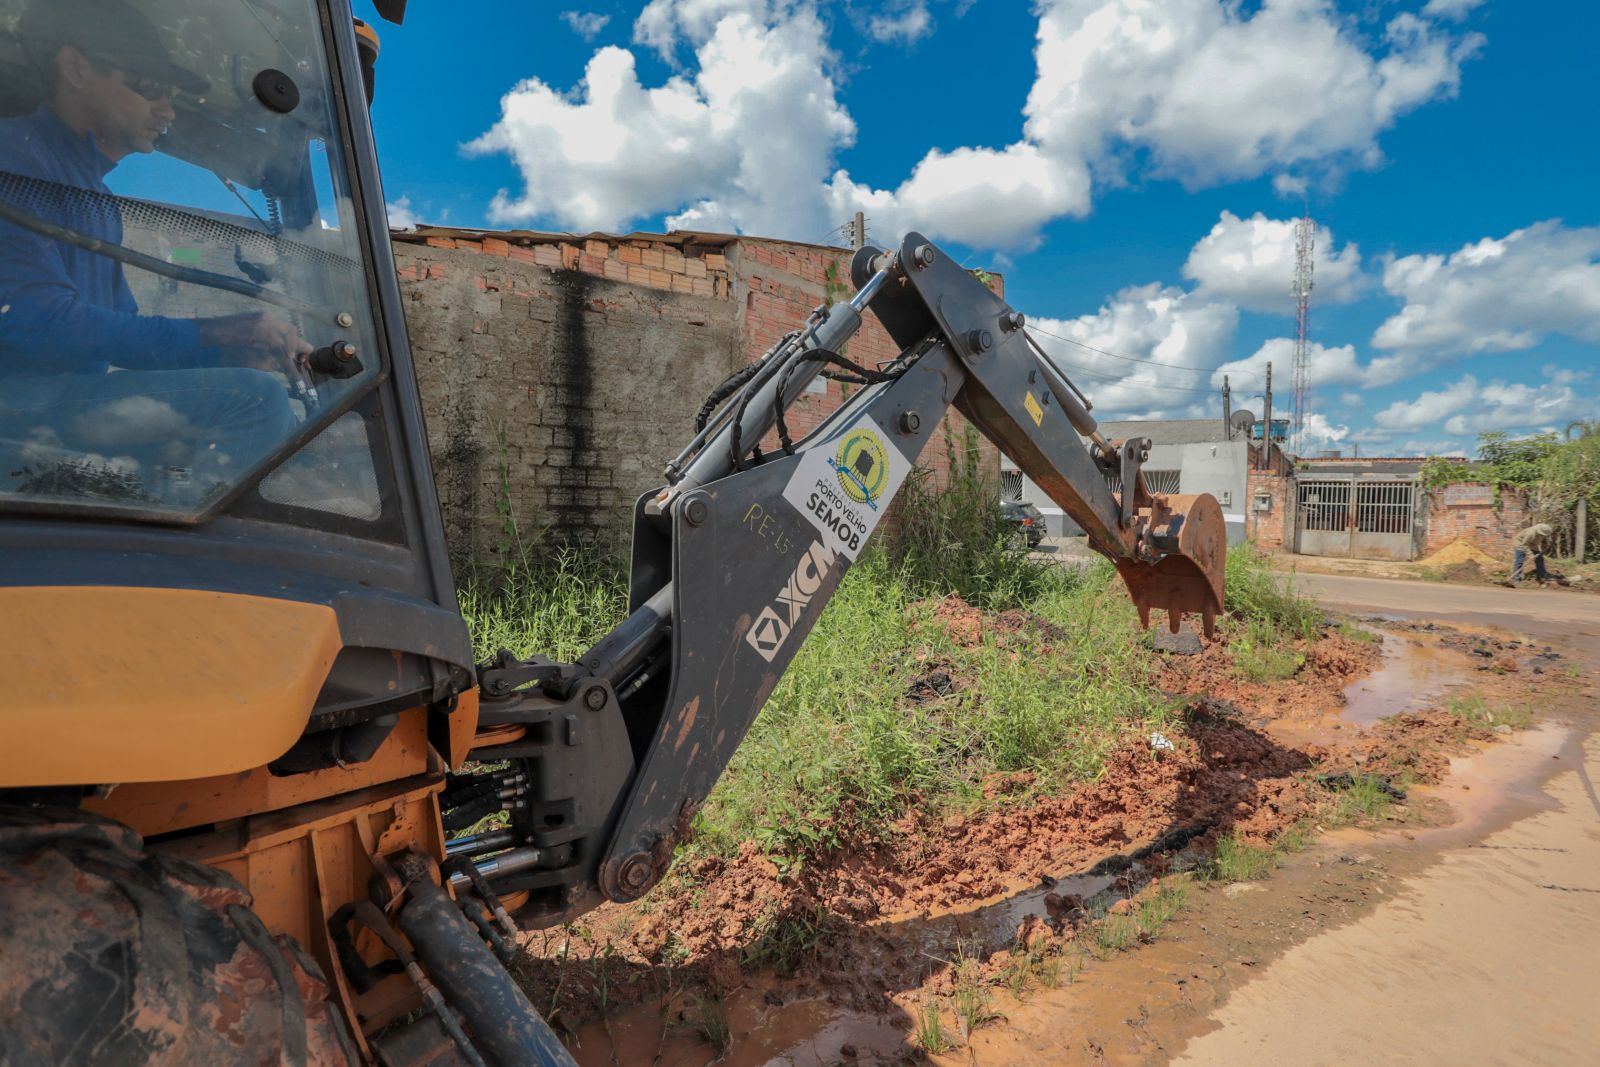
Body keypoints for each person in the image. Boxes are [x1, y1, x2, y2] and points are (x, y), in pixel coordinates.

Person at [0, 0, 309, 504]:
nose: (167, 109)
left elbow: (119, 338)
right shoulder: (15, 158)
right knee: (255, 402)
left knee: (253, 390)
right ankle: (190, 565)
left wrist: (231, 351)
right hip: (17, 407)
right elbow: (35, 322)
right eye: (149, 85)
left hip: (52, 405)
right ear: (76, 67)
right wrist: (220, 330)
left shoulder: (94, 197)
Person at [1508, 522, 1554, 587]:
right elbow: (1524, 545)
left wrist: (1547, 543)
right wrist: (1530, 555)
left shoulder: (1543, 532)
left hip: (1533, 544)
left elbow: (1545, 538)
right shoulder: (1530, 533)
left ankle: (1542, 577)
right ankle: (1516, 579)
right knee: (1519, 561)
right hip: (1521, 543)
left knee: (1540, 559)